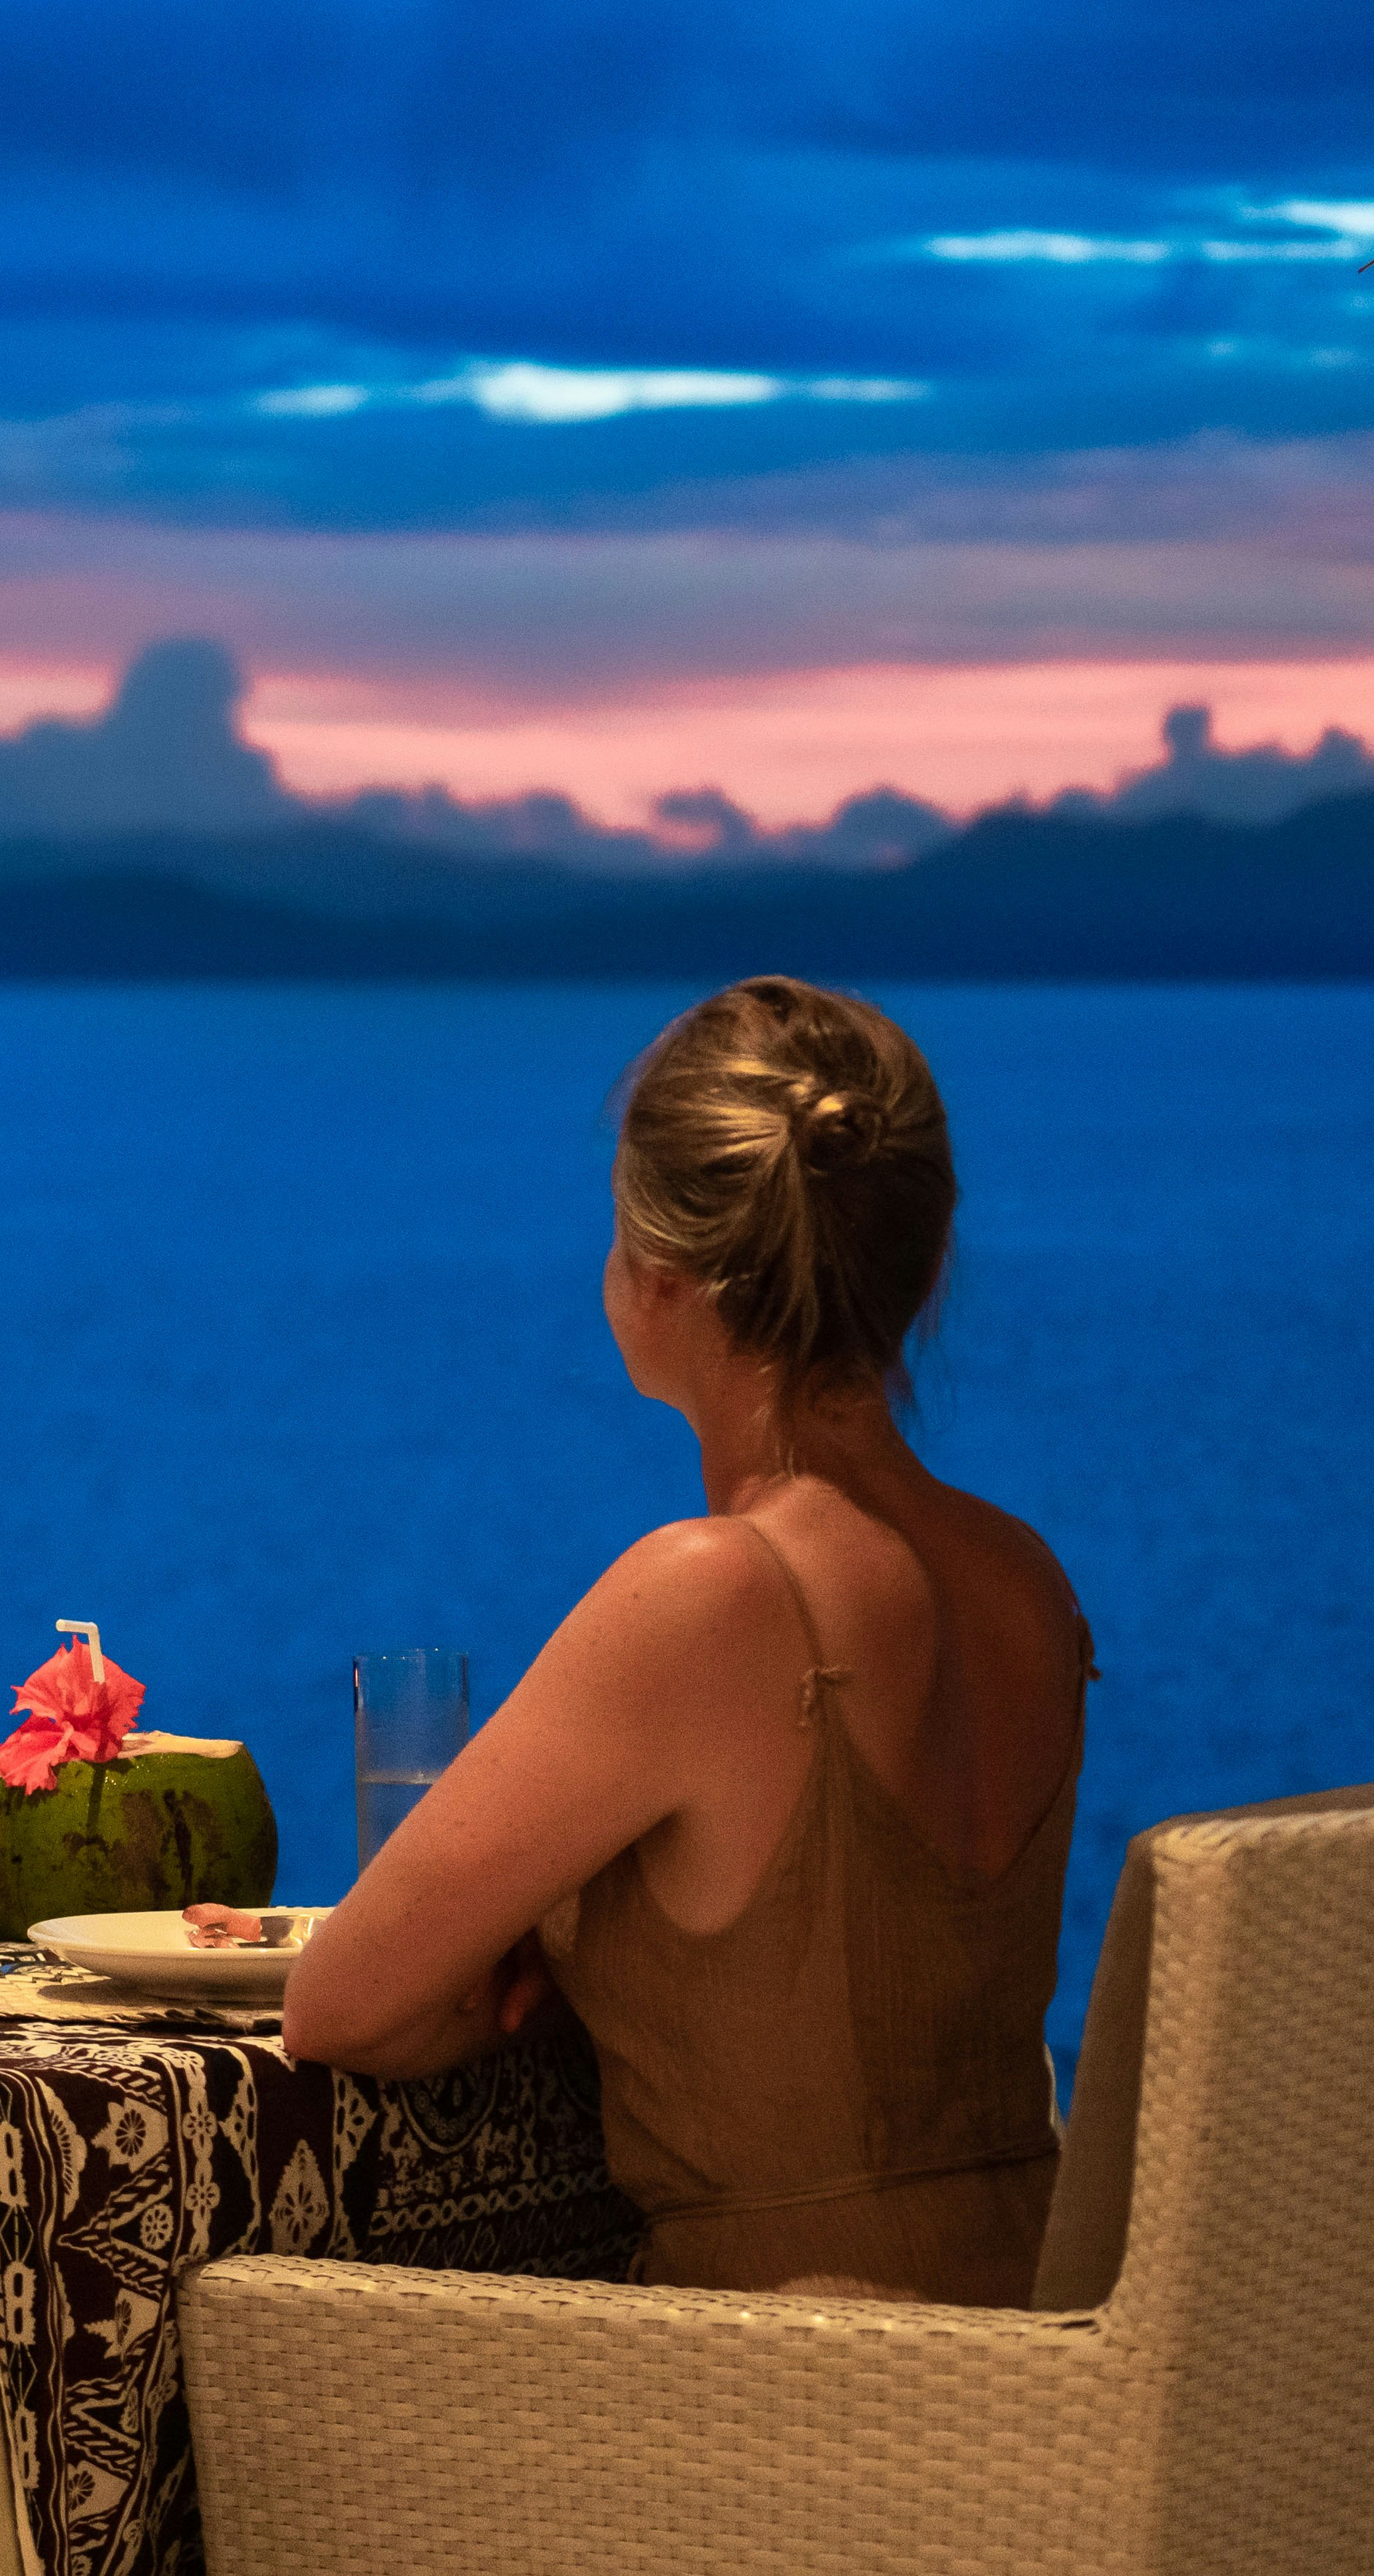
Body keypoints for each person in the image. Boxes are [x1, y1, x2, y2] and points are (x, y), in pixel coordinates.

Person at [282, 974, 1092, 2304]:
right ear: (922, 1258)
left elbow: (342, 2005)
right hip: (1046, 2373)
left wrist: (522, 1951)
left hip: (776, 2416)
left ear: (658, 1274)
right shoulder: (1025, 1581)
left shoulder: (712, 1593)